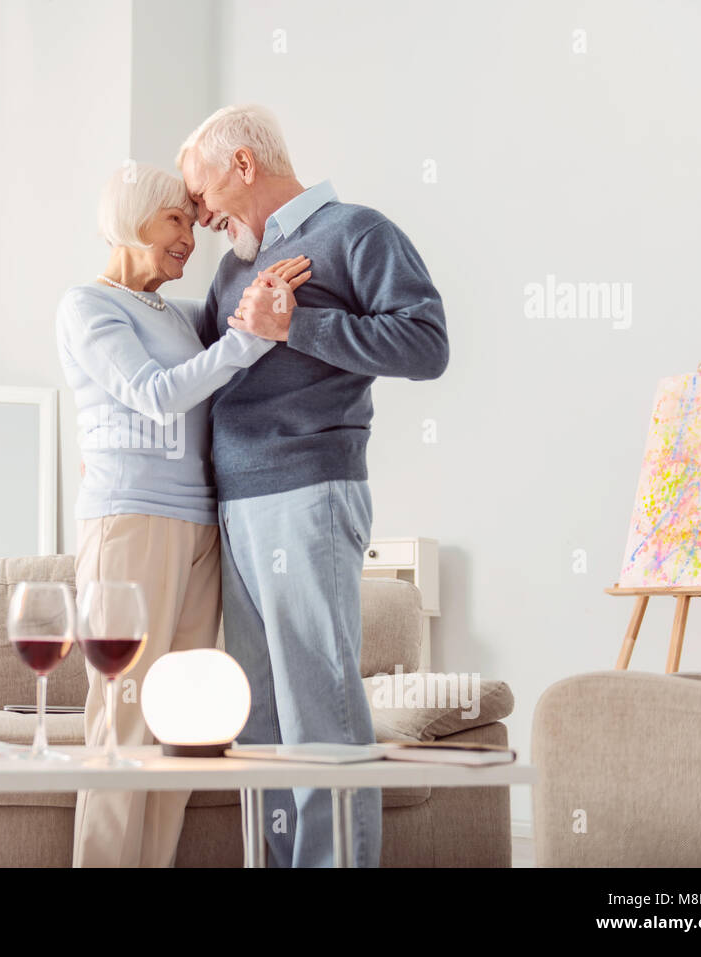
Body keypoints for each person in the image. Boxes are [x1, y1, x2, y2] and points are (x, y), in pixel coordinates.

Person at [176, 104, 450, 868]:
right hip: (234, 502)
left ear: (242, 164)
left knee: (317, 704)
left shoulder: (355, 231)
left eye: (200, 194)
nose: (197, 216)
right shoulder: (232, 266)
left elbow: (427, 344)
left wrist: (298, 326)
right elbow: (203, 368)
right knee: (259, 713)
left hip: (308, 489)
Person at [55, 164, 310, 867]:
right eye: (175, 220)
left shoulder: (178, 312)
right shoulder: (87, 305)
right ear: (132, 219)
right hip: (129, 522)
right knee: (123, 721)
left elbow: (217, 370)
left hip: (202, 526)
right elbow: (157, 394)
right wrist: (248, 338)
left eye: (192, 226)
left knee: (181, 724)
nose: (188, 240)